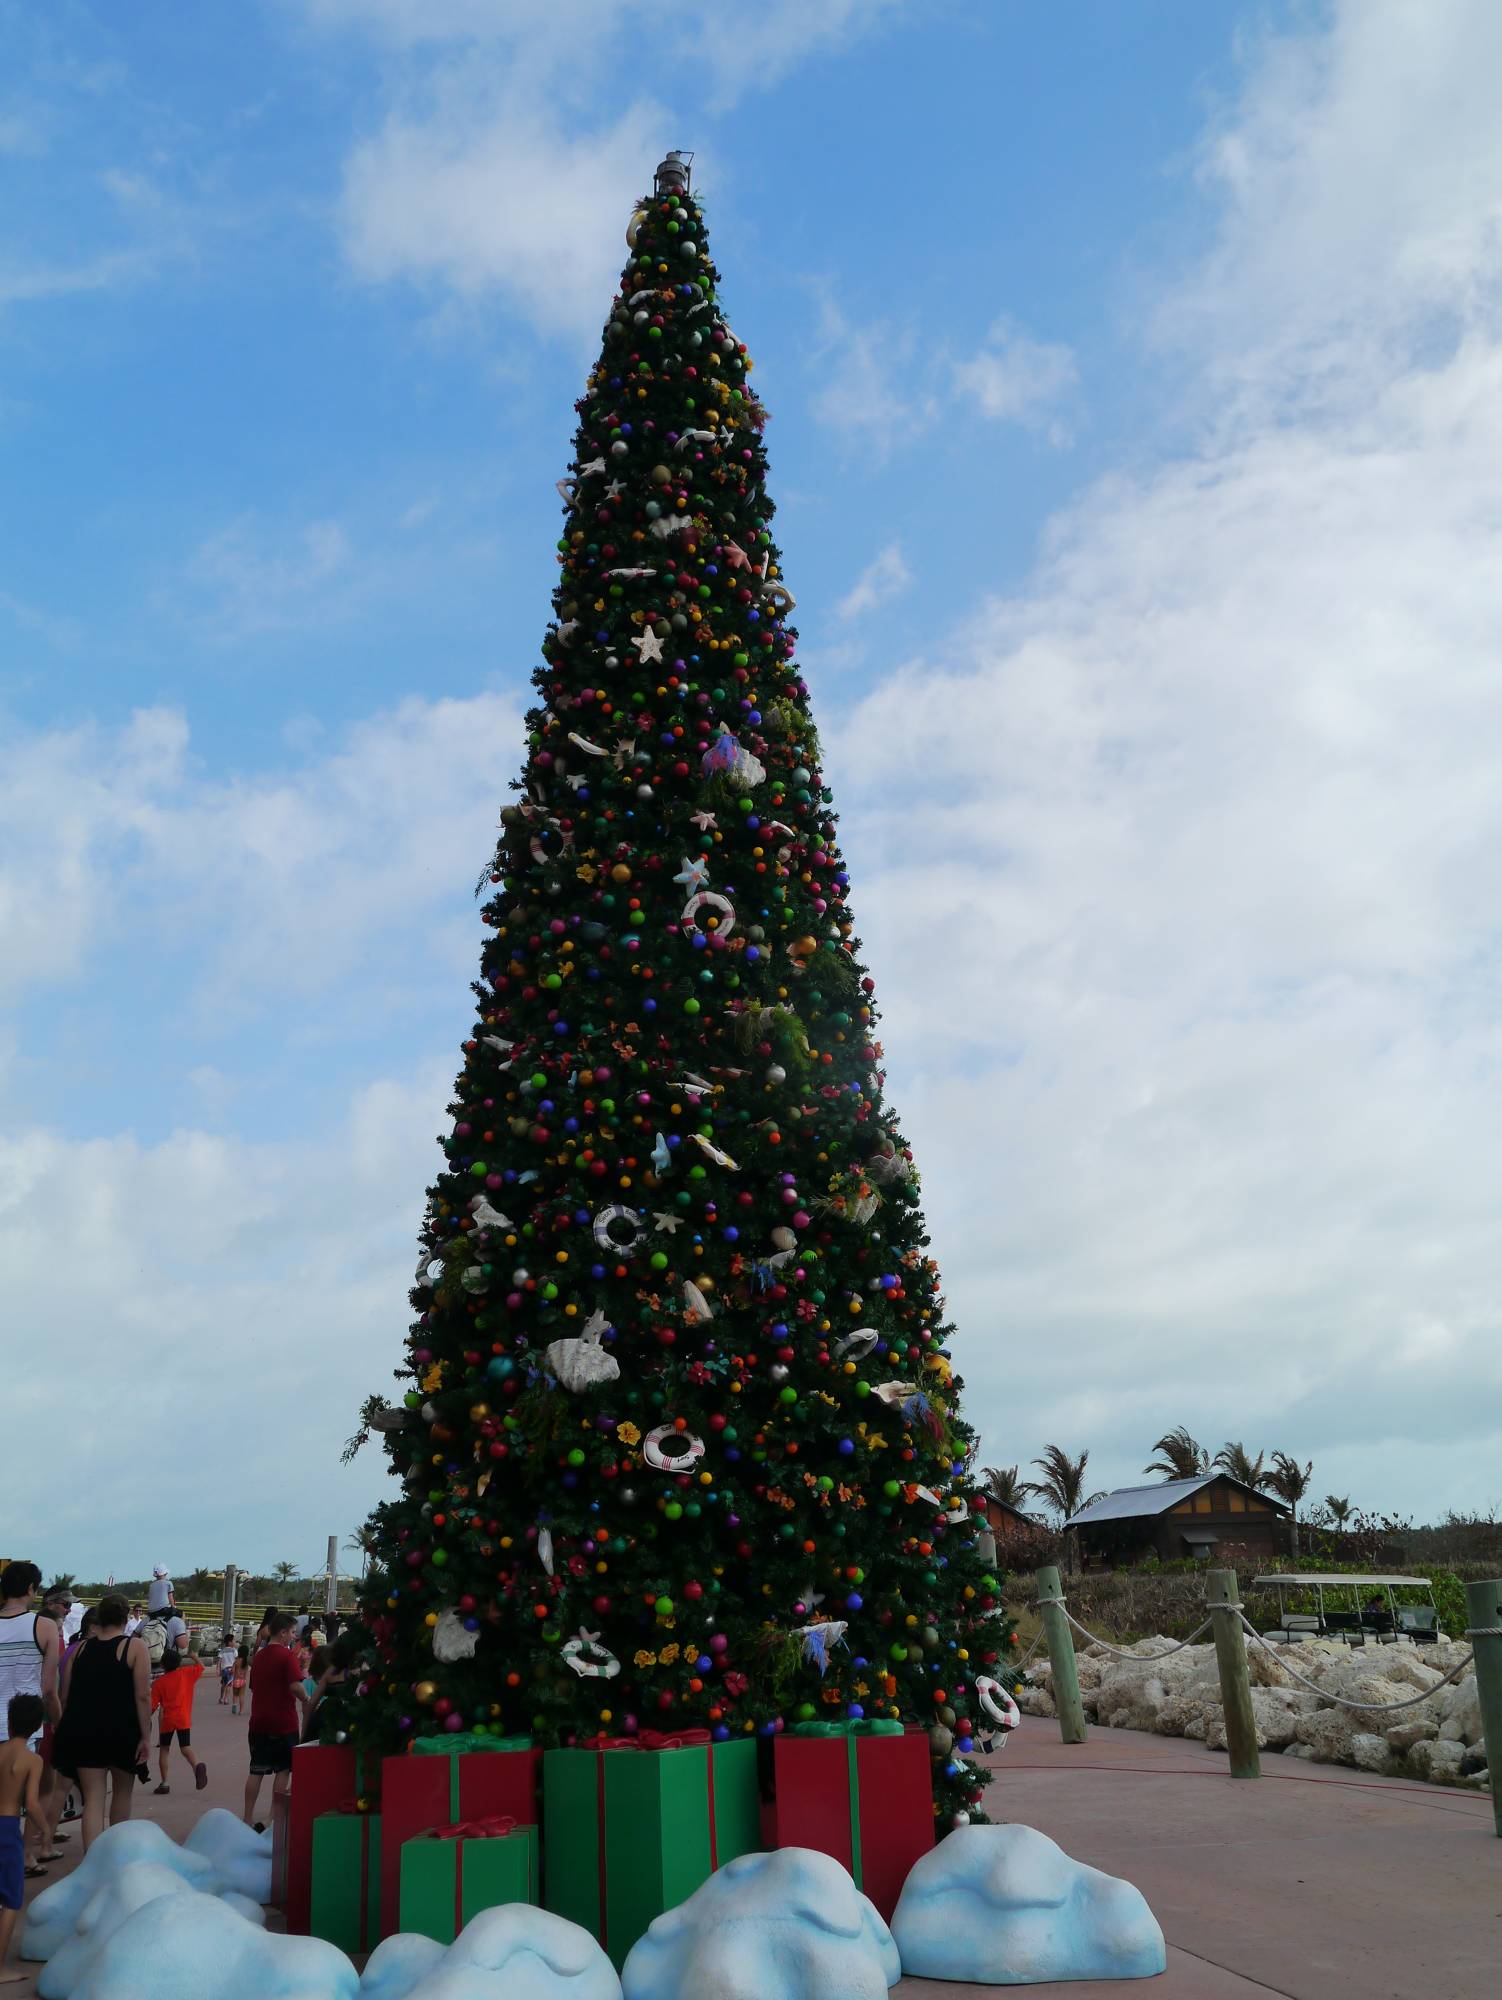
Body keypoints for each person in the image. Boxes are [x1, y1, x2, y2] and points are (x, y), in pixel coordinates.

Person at [49, 1594, 150, 1852]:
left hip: (85, 1729)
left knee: (93, 1798)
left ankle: (93, 1858)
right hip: (122, 1730)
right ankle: (115, 1855)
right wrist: (146, 1736)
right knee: (122, 1793)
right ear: (126, 1616)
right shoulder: (134, 1647)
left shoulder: (81, 1649)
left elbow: (65, 1695)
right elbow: (142, 1695)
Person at [0, 1563, 61, 1877]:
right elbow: (49, 1687)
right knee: (25, 1798)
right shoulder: (45, 1627)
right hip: (25, 1724)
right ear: (30, 1589)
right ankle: (24, 1856)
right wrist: (59, 1720)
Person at [243, 1612, 306, 1829]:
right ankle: (272, 1817)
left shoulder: (259, 1657)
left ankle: (247, 1817)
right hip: (283, 1723)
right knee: (283, 1770)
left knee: (256, 1771)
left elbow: (253, 1687)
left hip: (258, 1721)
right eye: (292, 1633)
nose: (293, 1637)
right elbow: (295, 1686)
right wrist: (307, 1699)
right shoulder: (287, 1657)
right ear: (283, 1633)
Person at [0, 1692, 47, 1983]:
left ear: (9, 1721)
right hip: (6, 1830)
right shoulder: (33, 1760)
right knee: (11, 1901)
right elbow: (31, 1803)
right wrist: (46, 1830)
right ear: (37, 1726)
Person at [149, 1649, 207, 1794]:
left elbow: (152, 1707)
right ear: (179, 1663)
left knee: (164, 1749)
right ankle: (197, 1765)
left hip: (167, 1719)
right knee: (186, 1748)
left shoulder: (158, 1683)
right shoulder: (186, 1674)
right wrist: (194, 1656)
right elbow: (201, 1667)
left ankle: (165, 1783)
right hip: (183, 1717)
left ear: (162, 1664)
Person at [216, 1632, 237, 1705]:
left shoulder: (223, 1650)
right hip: (231, 1669)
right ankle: (226, 1699)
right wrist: (235, 1668)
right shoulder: (234, 1650)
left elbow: (219, 1660)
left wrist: (218, 1668)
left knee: (224, 1684)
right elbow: (236, 1660)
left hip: (224, 1670)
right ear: (230, 1642)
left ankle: (221, 1698)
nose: (235, 1642)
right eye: (234, 1640)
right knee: (229, 1685)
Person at [230, 1644, 248, 1717]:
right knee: (241, 1696)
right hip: (243, 1681)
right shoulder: (246, 1662)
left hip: (235, 1680)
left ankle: (234, 1708)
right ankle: (241, 1710)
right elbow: (246, 1672)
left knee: (235, 1695)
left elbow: (232, 1671)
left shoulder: (236, 1660)